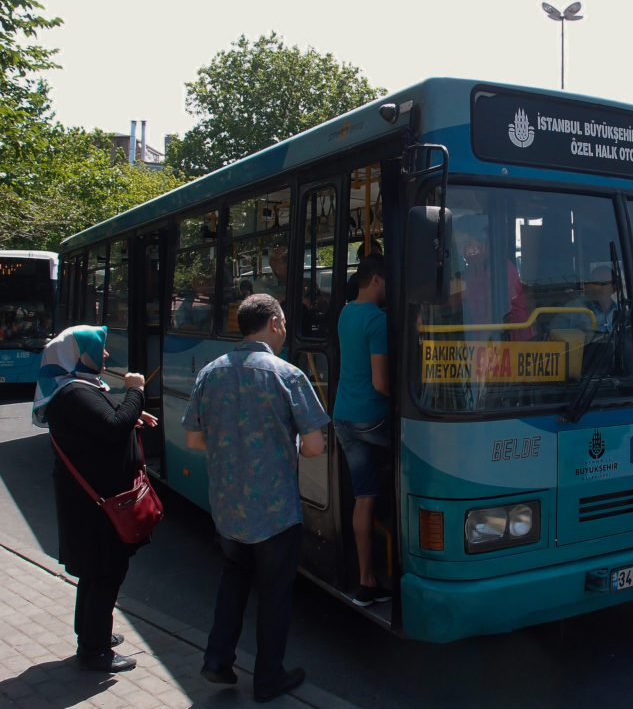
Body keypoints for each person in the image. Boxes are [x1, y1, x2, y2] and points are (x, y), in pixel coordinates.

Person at [182, 294, 329, 703]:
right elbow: (315, 447)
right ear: (277, 323)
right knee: (275, 594)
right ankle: (268, 678)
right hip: (275, 510)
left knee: (232, 580)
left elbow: (194, 438)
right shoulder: (287, 374)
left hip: (227, 507)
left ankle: (217, 660)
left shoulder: (211, 373)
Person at [31, 325, 159, 673]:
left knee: (94, 572)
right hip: (97, 506)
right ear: (78, 355)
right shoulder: (73, 393)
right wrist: (136, 392)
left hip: (92, 502)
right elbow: (112, 425)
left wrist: (132, 416)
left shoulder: (75, 389)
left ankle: (90, 632)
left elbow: (102, 426)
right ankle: (95, 649)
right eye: (98, 349)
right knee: (105, 573)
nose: (105, 355)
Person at [334, 256, 392, 607]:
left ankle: (366, 581)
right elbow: (381, 382)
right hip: (373, 418)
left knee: (364, 496)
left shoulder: (345, 313)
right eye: (386, 282)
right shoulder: (377, 320)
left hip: (343, 417)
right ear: (374, 280)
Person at [455, 221, 533, 341]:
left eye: (467, 243)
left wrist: (482, 342)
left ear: (483, 241)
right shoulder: (473, 270)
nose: (464, 251)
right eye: (459, 247)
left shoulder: (502, 268)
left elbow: (498, 311)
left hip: (510, 342)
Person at [553, 266, 620, 337]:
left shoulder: (620, 311)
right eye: (593, 283)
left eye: (602, 284)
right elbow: (554, 335)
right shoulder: (573, 309)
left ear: (614, 288)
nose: (596, 288)